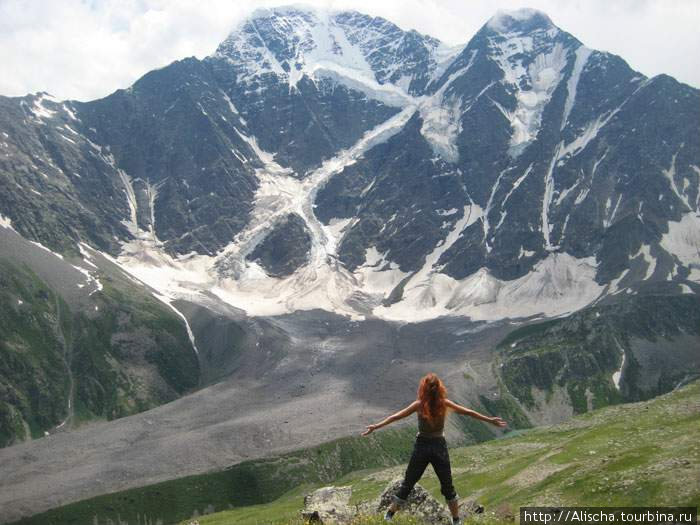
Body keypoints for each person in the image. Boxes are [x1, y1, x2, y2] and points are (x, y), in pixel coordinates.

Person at [361, 373, 507, 524]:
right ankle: (456, 520)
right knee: (447, 485)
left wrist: (375, 426)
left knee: (409, 482)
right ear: (439, 389)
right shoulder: (444, 403)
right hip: (439, 446)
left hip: (422, 446)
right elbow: (468, 412)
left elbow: (396, 417)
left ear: (423, 388)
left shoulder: (419, 404)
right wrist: (489, 420)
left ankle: (389, 515)